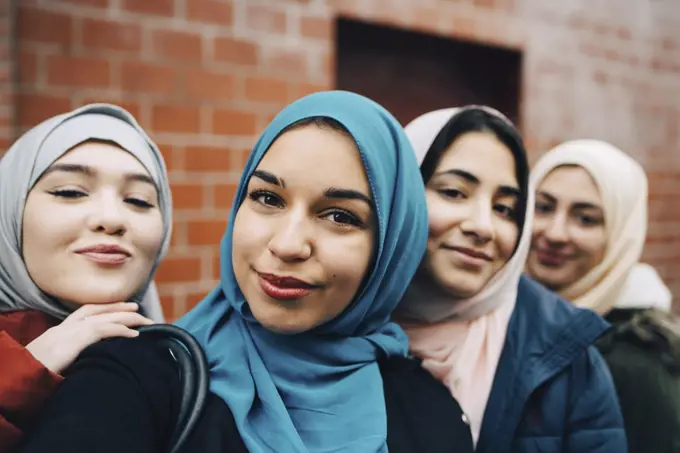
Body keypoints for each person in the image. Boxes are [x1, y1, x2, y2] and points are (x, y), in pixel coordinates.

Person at [18, 91, 475, 453]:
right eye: (268, 199)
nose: (287, 244)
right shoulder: (143, 375)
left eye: (340, 216)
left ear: (393, 246)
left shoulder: (429, 412)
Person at [393, 107, 626, 453]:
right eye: (454, 192)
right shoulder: (339, 327)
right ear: (402, 193)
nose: (483, 226)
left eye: (504, 209)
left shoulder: (568, 357)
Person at [0, 104, 172, 451]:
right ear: (10, 212)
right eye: (70, 192)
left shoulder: (184, 359)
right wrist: (20, 372)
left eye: (138, 200)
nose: (111, 218)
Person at [527, 139, 680, 453]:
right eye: (543, 207)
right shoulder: (516, 321)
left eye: (585, 219)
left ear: (621, 235)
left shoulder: (638, 362)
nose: (555, 233)